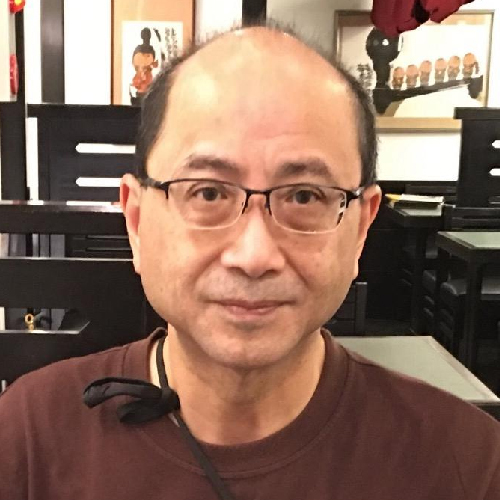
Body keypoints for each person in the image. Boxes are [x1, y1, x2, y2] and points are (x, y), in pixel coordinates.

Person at [0, 24, 499, 500]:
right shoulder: (27, 438)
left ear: (361, 228)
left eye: (304, 196)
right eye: (208, 192)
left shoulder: (467, 464)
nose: (254, 255)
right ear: (136, 219)